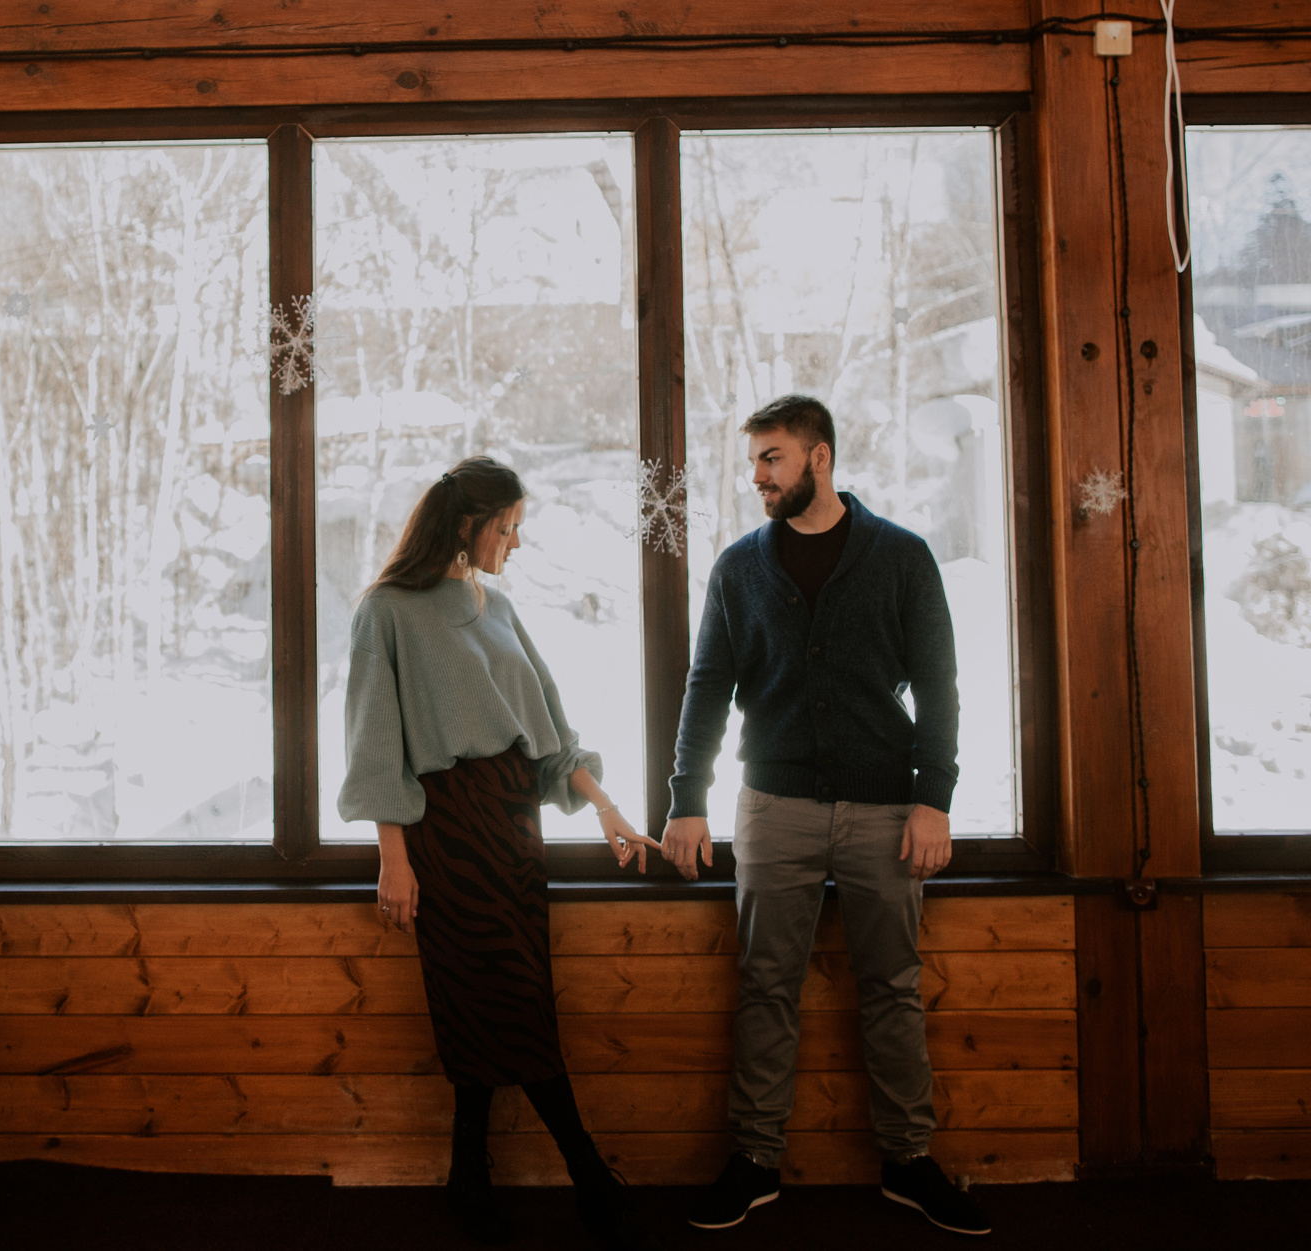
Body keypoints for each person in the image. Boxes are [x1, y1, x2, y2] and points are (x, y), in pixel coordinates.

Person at [661, 396, 989, 1237]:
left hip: (888, 808)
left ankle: (909, 1162)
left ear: (821, 457)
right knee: (766, 985)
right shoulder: (738, 567)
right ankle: (755, 1160)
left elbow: (941, 685)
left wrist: (934, 798)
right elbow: (706, 687)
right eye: (755, 461)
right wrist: (686, 799)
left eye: (772, 458)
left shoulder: (902, 557)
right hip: (773, 806)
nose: (758, 476)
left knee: (892, 988)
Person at [340, 456, 664, 1251]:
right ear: (467, 524)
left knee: (497, 1000)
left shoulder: (498, 605)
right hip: (447, 831)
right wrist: (394, 855)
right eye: (508, 527)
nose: (516, 543)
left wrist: (610, 810)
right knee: (507, 996)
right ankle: (589, 1173)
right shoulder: (386, 610)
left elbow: (549, 732)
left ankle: (467, 1176)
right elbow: (376, 743)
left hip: (517, 830)